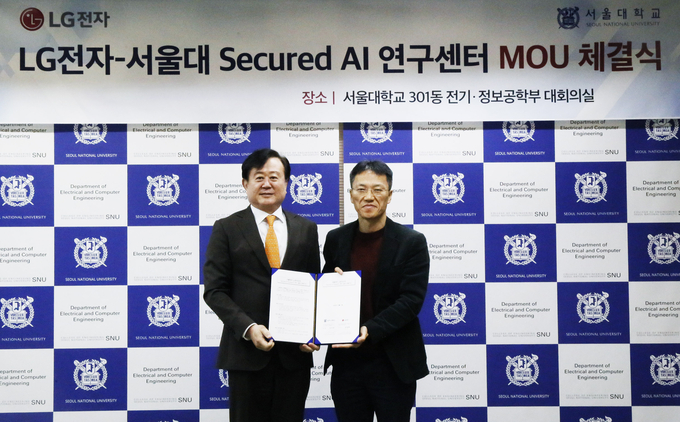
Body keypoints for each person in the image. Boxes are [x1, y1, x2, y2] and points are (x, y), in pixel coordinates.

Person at [203, 148, 321, 422]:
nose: (267, 184)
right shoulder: (226, 228)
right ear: (245, 183)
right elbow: (215, 290)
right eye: (259, 177)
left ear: (286, 183)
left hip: (294, 356)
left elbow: (313, 288)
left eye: (274, 177)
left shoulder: (306, 229)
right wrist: (248, 328)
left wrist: (312, 332)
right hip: (246, 355)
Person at [322, 160, 430, 422]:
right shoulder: (336, 239)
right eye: (361, 189)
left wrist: (369, 330)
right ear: (351, 195)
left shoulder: (411, 242)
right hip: (347, 364)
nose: (368, 196)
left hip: (393, 363)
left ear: (389, 195)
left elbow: (411, 301)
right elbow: (323, 292)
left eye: (377, 190)